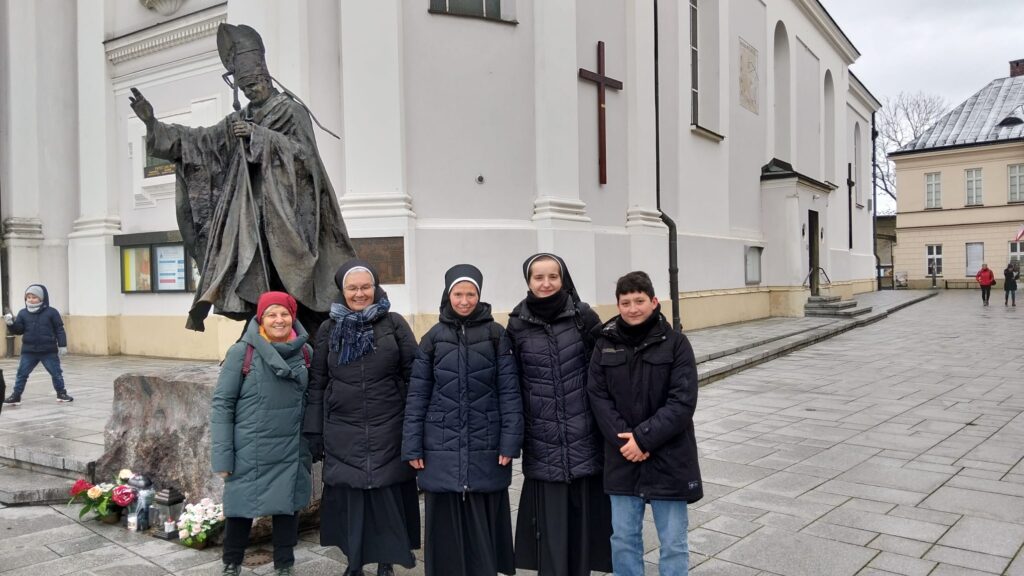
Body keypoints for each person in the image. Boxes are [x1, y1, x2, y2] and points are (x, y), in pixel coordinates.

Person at [128, 24, 354, 334]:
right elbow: (202, 143)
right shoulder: (240, 117)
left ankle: (307, 330)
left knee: (291, 274)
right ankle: (262, 329)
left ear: (266, 78)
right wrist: (153, 123)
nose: (250, 91)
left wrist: (260, 136)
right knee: (255, 272)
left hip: (288, 216)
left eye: (254, 84)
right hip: (250, 216)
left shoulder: (290, 112)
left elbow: (305, 156)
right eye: (244, 87)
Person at [402, 264, 523, 576]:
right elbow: (417, 395)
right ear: (448, 295)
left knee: (483, 515)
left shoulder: (497, 335)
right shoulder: (432, 339)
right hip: (440, 443)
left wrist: (510, 441)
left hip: (486, 440)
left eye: (471, 294)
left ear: (479, 296)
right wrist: (412, 446)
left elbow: (510, 393)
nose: (465, 300)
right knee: (444, 519)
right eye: (459, 293)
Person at [304, 259, 420, 576]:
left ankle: (386, 561)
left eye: (365, 287)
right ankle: (354, 562)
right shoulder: (329, 329)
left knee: (386, 496)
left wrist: (416, 427)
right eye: (352, 288)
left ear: (376, 288)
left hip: (389, 425)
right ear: (343, 291)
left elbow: (415, 375)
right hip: (343, 427)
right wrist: (314, 431)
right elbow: (318, 382)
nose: (359, 294)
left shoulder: (394, 324)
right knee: (353, 500)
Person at [588, 271, 702, 576]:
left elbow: (683, 401)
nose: (633, 308)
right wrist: (627, 442)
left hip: (669, 457)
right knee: (623, 539)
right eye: (625, 302)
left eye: (639, 301)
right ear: (618, 305)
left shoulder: (676, 343)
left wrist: (644, 439)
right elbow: (597, 397)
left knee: (673, 542)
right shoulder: (604, 343)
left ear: (653, 302)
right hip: (622, 456)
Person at [506, 253, 613, 576]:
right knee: (549, 528)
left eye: (552, 276)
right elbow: (512, 382)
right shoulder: (517, 323)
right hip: (543, 440)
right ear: (528, 282)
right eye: (538, 277)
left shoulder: (583, 317)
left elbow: (605, 372)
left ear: (563, 279)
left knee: (582, 524)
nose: (546, 283)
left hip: (583, 434)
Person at [211, 291, 313, 576]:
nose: (278, 320)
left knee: (287, 508)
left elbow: (312, 401)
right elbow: (222, 404)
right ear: (261, 318)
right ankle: (231, 563)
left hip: (291, 446)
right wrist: (222, 457)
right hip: (249, 448)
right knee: (241, 508)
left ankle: (284, 564)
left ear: (292, 316)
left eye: (284, 313)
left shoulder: (305, 353)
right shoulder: (242, 353)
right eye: (272, 314)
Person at [3, 284, 73, 405]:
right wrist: (10, 324)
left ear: (42, 298)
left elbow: (59, 329)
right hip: (29, 351)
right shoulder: (23, 313)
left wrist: (62, 345)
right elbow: (19, 330)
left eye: (34, 297)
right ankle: (16, 396)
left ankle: (61, 393)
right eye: (28, 297)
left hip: (48, 351)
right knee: (21, 374)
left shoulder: (52, 312)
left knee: (56, 373)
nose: (31, 299)